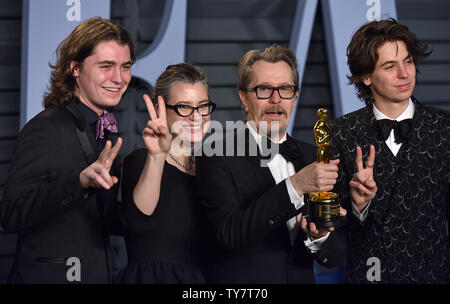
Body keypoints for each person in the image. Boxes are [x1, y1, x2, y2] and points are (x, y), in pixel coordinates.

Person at [196, 45, 370, 284]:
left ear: (295, 97)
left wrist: (318, 237)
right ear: (244, 97)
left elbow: (335, 252)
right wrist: (296, 185)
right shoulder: (215, 154)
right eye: (264, 89)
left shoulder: (312, 156)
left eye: (285, 89)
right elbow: (229, 234)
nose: (276, 99)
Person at [0, 17, 135, 283]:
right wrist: (79, 182)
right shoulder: (46, 128)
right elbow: (12, 213)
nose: (118, 78)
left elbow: (98, 219)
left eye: (125, 67)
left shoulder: (106, 130)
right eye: (106, 66)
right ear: (75, 68)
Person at [331, 18, 450, 283]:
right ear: (366, 77)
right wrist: (358, 207)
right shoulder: (340, 133)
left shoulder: (445, 128)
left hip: (434, 275)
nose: (404, 74)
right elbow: (331, 230)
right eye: (390, 66)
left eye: (408, 62)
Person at [119, 63, 216, 283]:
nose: (196, 117)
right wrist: (157, 155)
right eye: (184, 107)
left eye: (202, 106)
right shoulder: (142, 160)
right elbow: (136, 223)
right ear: (161, 109)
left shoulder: (210, 172)